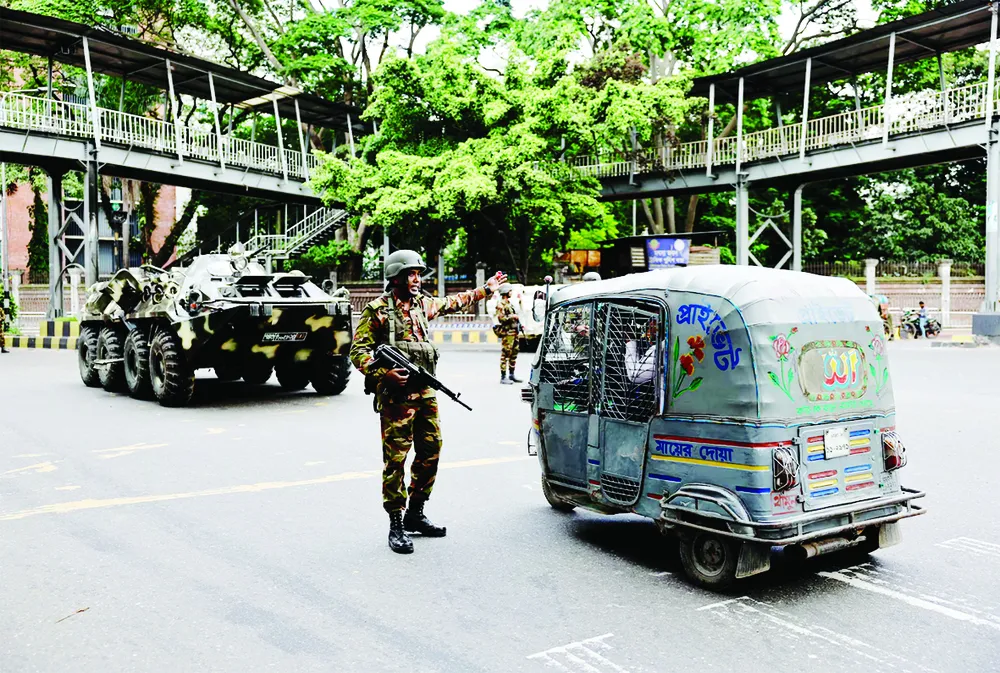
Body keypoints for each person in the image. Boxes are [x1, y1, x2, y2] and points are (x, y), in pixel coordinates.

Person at [350, 250, 506, 554]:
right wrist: (383, 374)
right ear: (395, 277)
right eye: (411, 274)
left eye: (418, 274)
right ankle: (396, 523)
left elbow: (453, 302)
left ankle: (415, 514)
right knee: (396, 459)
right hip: (396, 398)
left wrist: (486, 289)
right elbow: (358, 351)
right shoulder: (378, 310)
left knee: (431, 450)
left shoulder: (422, 305)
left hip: (425, 393)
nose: (417, 280)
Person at [495, 284, 522, 384]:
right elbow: (501, 318)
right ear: (506, 292)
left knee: (514, 353)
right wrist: (512, 316)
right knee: (505, 354)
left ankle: (511, 374)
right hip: (507, 333)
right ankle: (503, 377)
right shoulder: (500, 304)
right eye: (510, 291)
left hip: (514, 332)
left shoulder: (509, 303)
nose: (511, 292)